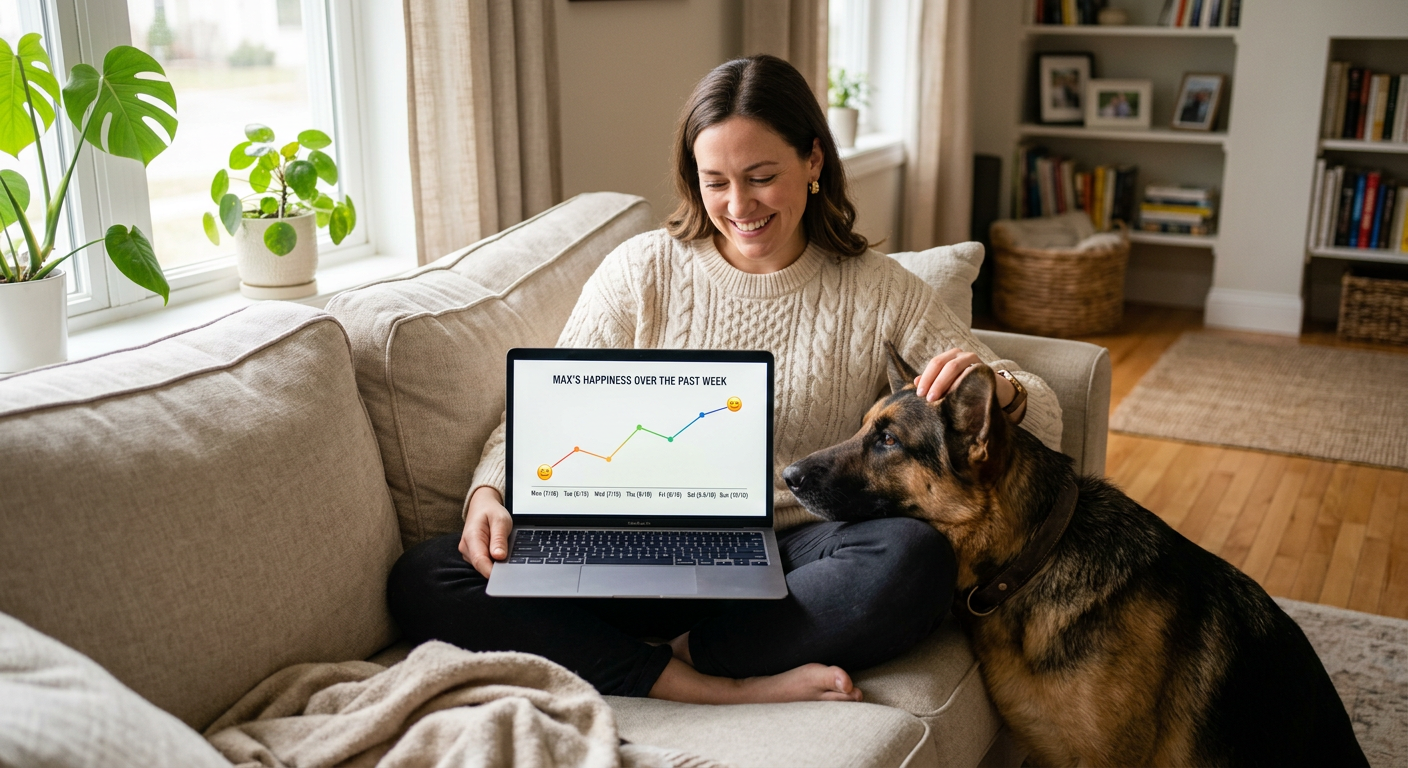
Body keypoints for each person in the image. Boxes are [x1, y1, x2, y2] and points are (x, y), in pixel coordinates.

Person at [387, 54, 1062, 706]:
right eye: (715, 181)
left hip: (796, 553)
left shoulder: (880, 291)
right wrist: (489, 490)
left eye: (761, 175)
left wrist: (999, 388)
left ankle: (674, 655)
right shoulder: (641, 271)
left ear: (814, 162)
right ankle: (702, 682)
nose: (739, 205)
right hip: (640, 538)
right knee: (427, 576)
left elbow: (1046, 416)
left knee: (912, 561)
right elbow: (547, 413)